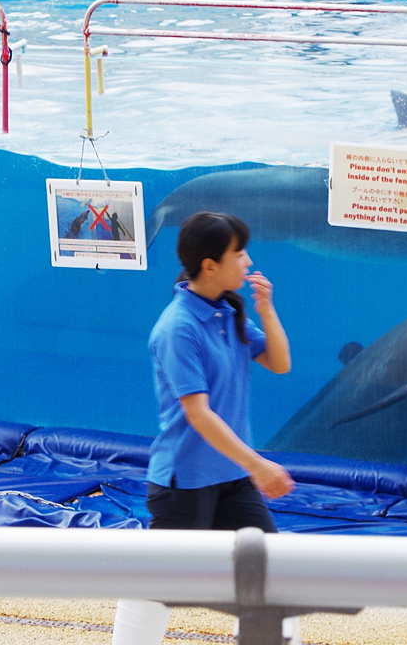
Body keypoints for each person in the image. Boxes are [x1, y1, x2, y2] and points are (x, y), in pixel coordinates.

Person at [112, 211, 295, 645]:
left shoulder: (224, 313)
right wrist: (259, 465)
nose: (248, 262)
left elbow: (280, 363)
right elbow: (199, 415)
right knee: (159, 586)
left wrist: (267, 310)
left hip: (230, 479)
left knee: (272, 574)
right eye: (240, 253)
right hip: (186, 482)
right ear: (210, 265)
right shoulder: (178, 328)